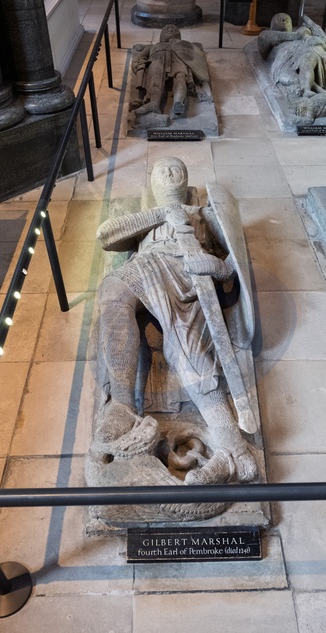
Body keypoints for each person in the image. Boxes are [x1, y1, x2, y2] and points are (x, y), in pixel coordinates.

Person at [94, 156, 258, 486]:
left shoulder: (203, 215)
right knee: (113, 292)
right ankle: (122, 406)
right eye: (162, 170)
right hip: (145, 268)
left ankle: (234, 450)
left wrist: (215, 266)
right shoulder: (146, 219)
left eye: (175, 169)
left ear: (185, 181)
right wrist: (162, 214)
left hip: (187, 275)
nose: (169, 173)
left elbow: (234, 262)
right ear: (154, 183)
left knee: (187, 348)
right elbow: (106, 235)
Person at [130, 24, 211, 117]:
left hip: (177, 61)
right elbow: (139, 58)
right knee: (155, 79)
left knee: (181, 77)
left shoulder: (182, 45)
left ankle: (178, 102)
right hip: (157, 60)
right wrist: (141, 65)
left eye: (173, 29)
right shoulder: (153, 47)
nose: (170, 30)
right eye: (167, 29)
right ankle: (154, 104)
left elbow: (193, 56)